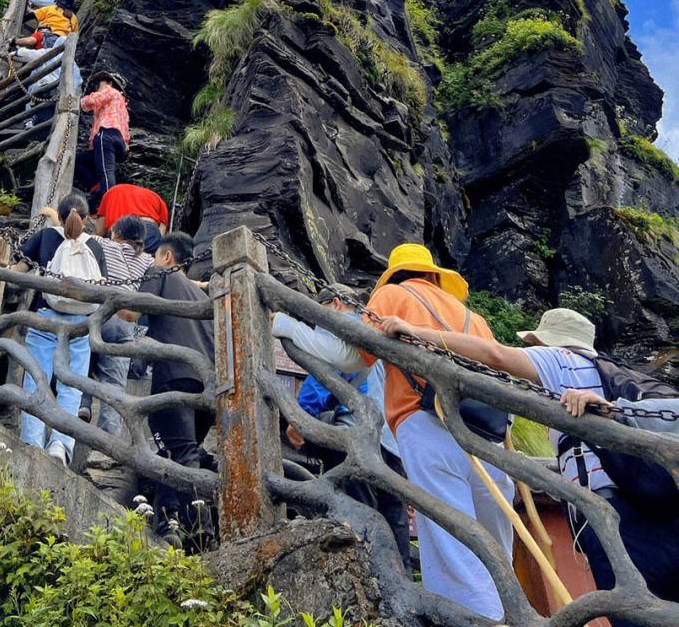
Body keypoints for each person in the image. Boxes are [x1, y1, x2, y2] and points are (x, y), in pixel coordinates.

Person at [379, 304, 679, 618]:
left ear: (545, 343)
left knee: (633, 614)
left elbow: (495, 355)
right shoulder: (616, 372)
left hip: (613, 513)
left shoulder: (559, 359)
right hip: (661, 507)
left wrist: (415, 332)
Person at [317, 243, 513, 620]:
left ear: (396, 272)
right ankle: (506, 612)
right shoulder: (472, 316)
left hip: (424, 420)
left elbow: (357, 356)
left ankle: (471, 620)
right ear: (433, 274)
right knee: (494, 539)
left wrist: (289, 328)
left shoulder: (391, 294)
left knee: (449, 539)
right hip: (486, 431)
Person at [274, 287, 410, 566]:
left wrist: (300, 417)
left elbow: (325, 372)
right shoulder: (379, 330)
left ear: (335, 304)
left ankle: (370, 586)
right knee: (393, 519)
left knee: (361, 516)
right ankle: (402, 581)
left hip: (356, 435)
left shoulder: (341, 326)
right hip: (393, 442)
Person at [16, 191, 106, 465]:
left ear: (60, 212)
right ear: (88, 218)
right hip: (79, 325)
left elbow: (19, 267)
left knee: (36, 380)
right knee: (71, 387)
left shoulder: (46, 237)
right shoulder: (96, 246)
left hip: (45, 318)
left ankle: (32, 442)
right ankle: (60, 447)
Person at [138, 231, 217, 544]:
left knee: (178, 452)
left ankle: (202, 530)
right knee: (178, 452)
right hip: (206, 385)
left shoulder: (159, 272)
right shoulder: (203, 296)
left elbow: (130, 311)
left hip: (173, 375)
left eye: (157, 254)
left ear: (167, 257)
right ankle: (168, 523)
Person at [80, 215, 153, 431]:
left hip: (100, 313)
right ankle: (108, 442)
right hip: (125, 323)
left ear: (117, 234)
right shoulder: (147, 260)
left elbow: (76, 232)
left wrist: (53, 215)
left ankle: (83, 404)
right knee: (114, 382)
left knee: (83, 358)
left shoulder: (105, 244)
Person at [75, 70, 130, 207]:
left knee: (106, 172)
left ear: (110, 83)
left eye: (100, 84)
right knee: (78, 160)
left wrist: (77, 101)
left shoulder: (110, 90)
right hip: (118, 141)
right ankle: (97, 187)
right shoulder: (121, 104)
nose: (99, 88)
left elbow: (91, 101)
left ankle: (109, 207)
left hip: (106, 134)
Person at [93, 181, 169, 253]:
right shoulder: (156, 197)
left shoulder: (112, 191)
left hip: (119, 231)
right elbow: (161, 233)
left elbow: (99, 231)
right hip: (148, 229)